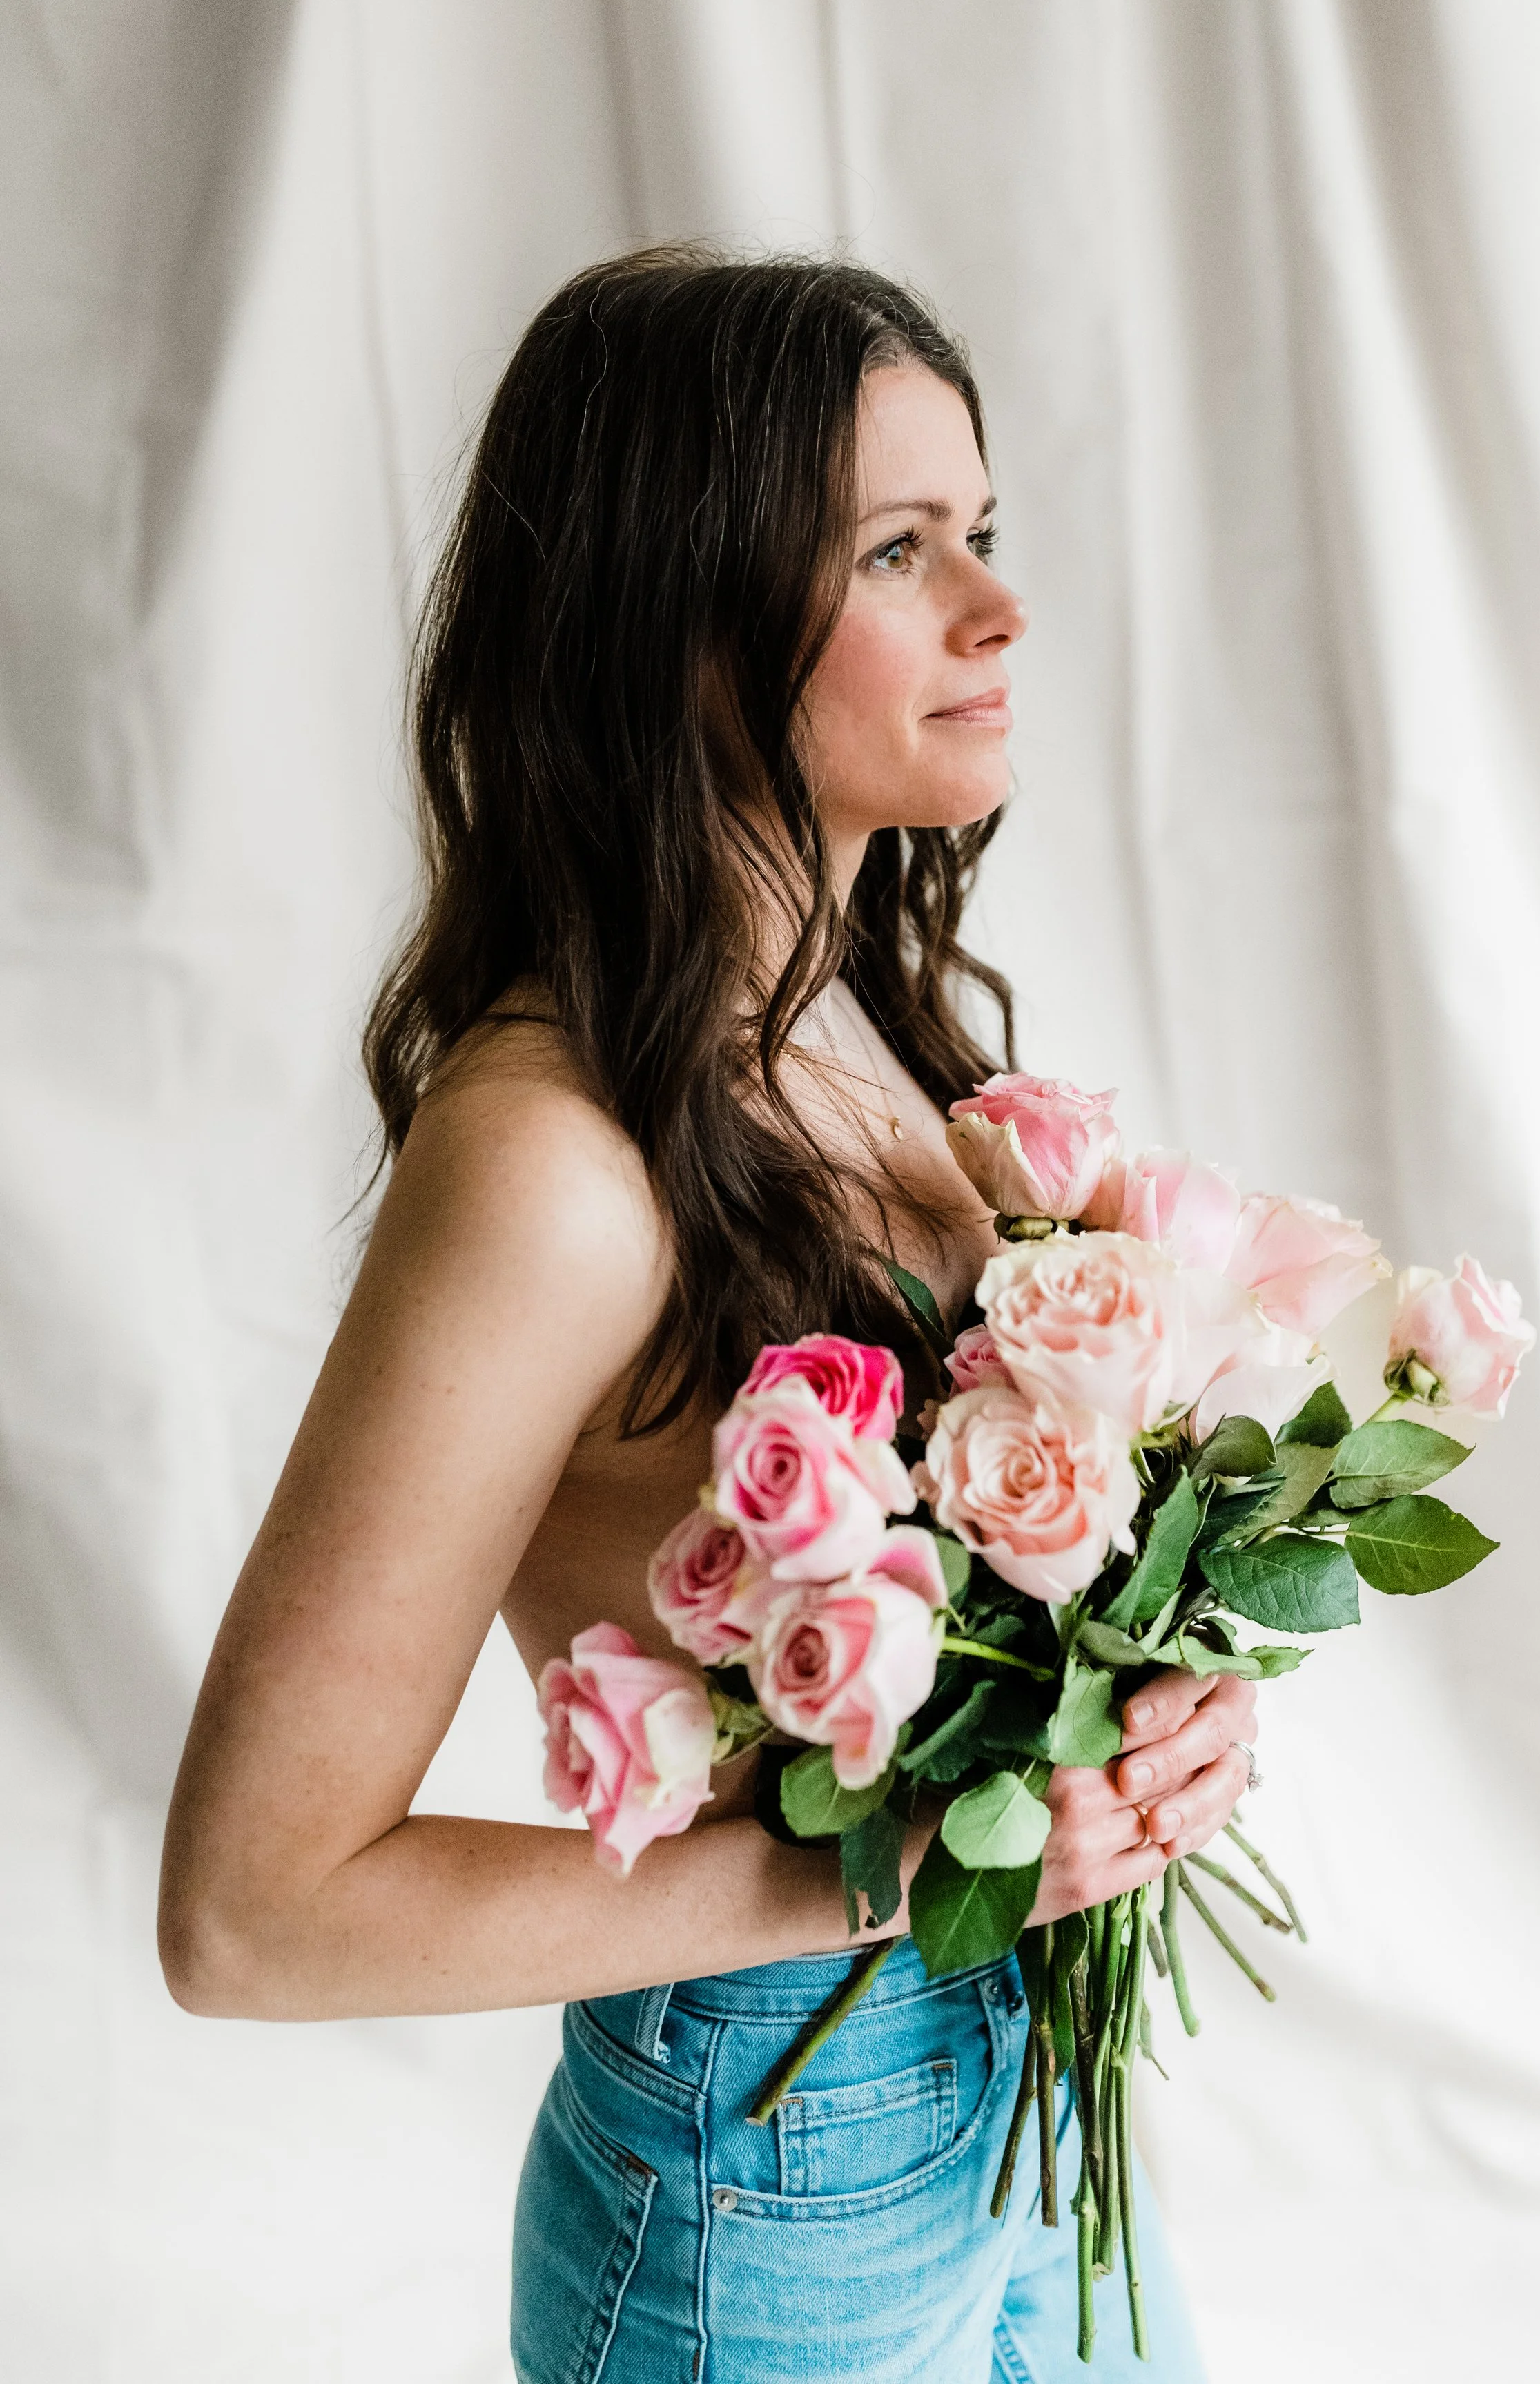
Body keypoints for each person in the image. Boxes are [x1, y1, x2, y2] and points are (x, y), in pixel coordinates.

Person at [158, 249, 1256, 2381]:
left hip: (999, 2088)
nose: (997, 607)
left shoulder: (854, 1019)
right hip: (776, 2157)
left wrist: (1137, 1723)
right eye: (893, 549)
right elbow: (251, 1906)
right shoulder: (555, 1162)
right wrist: (902, 1871)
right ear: (681, 618)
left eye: (985, 533)